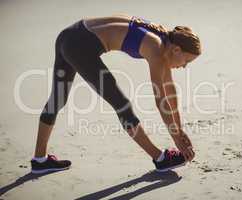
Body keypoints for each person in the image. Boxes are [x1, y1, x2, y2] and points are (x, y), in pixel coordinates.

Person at [31, 14, 201, 174]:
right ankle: (160, 158)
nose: (184, 66)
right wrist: (177, 140)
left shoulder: (163, 38)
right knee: (122, 104)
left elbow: (170, 92)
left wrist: (179, 131)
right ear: (177, 50)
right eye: (187, 61)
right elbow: (161, 100)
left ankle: (40, 160)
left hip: (69, 34)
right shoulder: (156, 48)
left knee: (57, 99)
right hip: (80, 47)